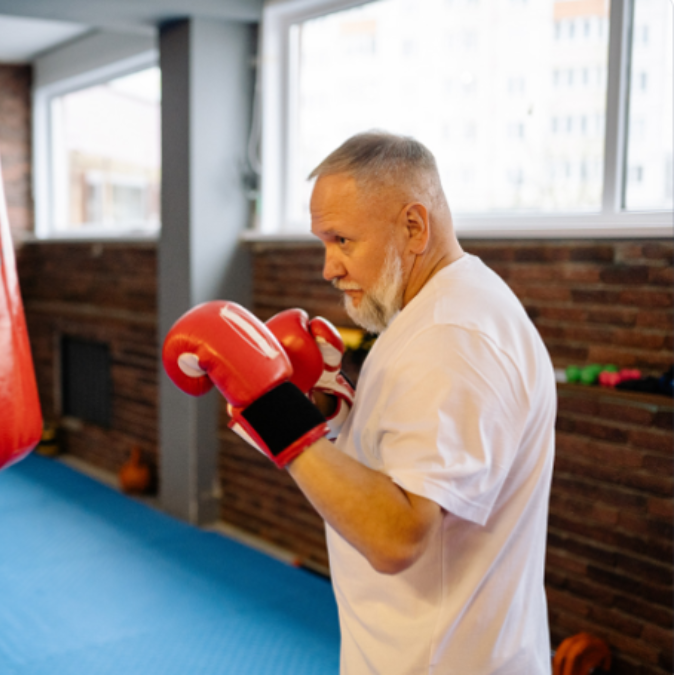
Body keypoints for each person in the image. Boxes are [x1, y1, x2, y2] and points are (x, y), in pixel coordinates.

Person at [162, 131, 555, 674]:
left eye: (343, 241)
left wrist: (272, 408)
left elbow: (397, 536)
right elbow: (404, 470)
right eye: (323, 243)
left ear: (413, 226)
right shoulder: (442, 308)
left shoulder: (451, 337)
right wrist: (328, 415)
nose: (329, 268)